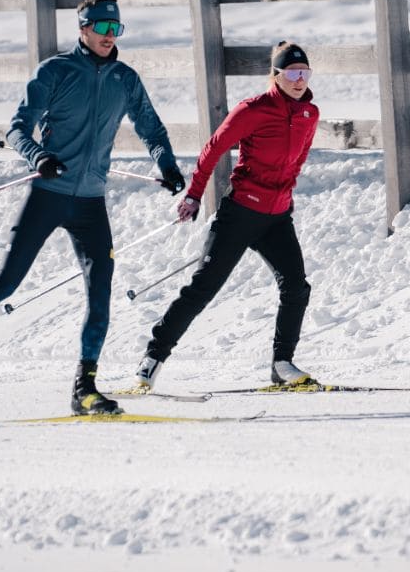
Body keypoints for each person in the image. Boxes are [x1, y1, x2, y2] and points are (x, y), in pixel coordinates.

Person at [0, 0, 185, 415]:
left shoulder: (125, 78)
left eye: (116, 29)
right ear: (82, 28)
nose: (109, 36)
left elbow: (151, 127)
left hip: (91, 203)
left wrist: (167, 165)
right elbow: (18, 129)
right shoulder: (56, 71)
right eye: (102, 28)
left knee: (100, 294)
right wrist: (38, 156)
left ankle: (86, 388)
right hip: (49, 196)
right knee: (6, 282)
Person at [134, 41, 319, 390]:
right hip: (242, 212)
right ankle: (153, 356)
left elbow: (297, 161)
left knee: (296, 286)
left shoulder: (310, 114)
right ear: (276, 76)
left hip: (277, 217)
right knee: (204, 287)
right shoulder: (253, 110)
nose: (299, 80)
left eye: (305, 73)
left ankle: (282, 363)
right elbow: (213, 149)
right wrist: (193, 195)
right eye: (292, 73)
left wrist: (285, 198)